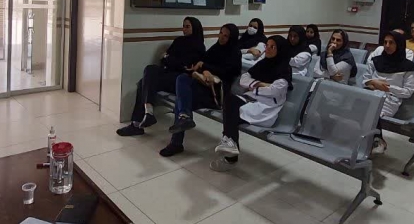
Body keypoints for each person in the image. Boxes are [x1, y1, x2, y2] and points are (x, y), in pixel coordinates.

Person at [210, 35, 292, 172]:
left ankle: (230, 152)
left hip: (266, 108)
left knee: (231, 114)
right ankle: (230, 144)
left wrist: (254, 86)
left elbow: (275, 91)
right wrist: (261, 84)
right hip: (252, 99)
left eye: (273, 47)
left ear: (280, 50)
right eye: (267, 46)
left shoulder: (285, 69)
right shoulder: (263, 64)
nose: (268, 49)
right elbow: (243, 79)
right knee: (229, 100)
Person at [162, 24, 242, 157]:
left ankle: (176, 141)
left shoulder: (235, 53)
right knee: (182, 80)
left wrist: (206, 68)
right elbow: (200, 64)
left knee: (181, 103)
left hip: (217, 94)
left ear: (232, 38)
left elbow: (228, 73)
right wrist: (205, 69)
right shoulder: (215, 49)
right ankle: (184, 120)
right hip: (204, 89)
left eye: (226, 36)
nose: (221, 37)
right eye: (221, 33)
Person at [117, 17, 205, 136]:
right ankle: (147, 113)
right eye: (183, 26)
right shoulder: (179, 41)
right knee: (149, 71)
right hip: (168, 73)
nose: (184, 29)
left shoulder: (199, 46)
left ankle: (139, 122)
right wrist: (170, 60)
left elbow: (185, 66)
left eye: (187, 26)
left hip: (179, 80)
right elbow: (164, 60)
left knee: (144, 83)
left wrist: (169, 59)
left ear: (195, 28)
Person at [363, 31, 414, 154]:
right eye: (385, 42)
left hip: (390, 99)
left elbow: (408, 92)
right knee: (356, 109)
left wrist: (387, 87)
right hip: (370, 94)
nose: (387, 45)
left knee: (371, 113)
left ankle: (376, 140)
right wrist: (373, 82)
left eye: (391, 43)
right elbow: (365, 80)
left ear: (399, 45)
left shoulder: (409, 67)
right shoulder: (375, 60)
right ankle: (369, 140)